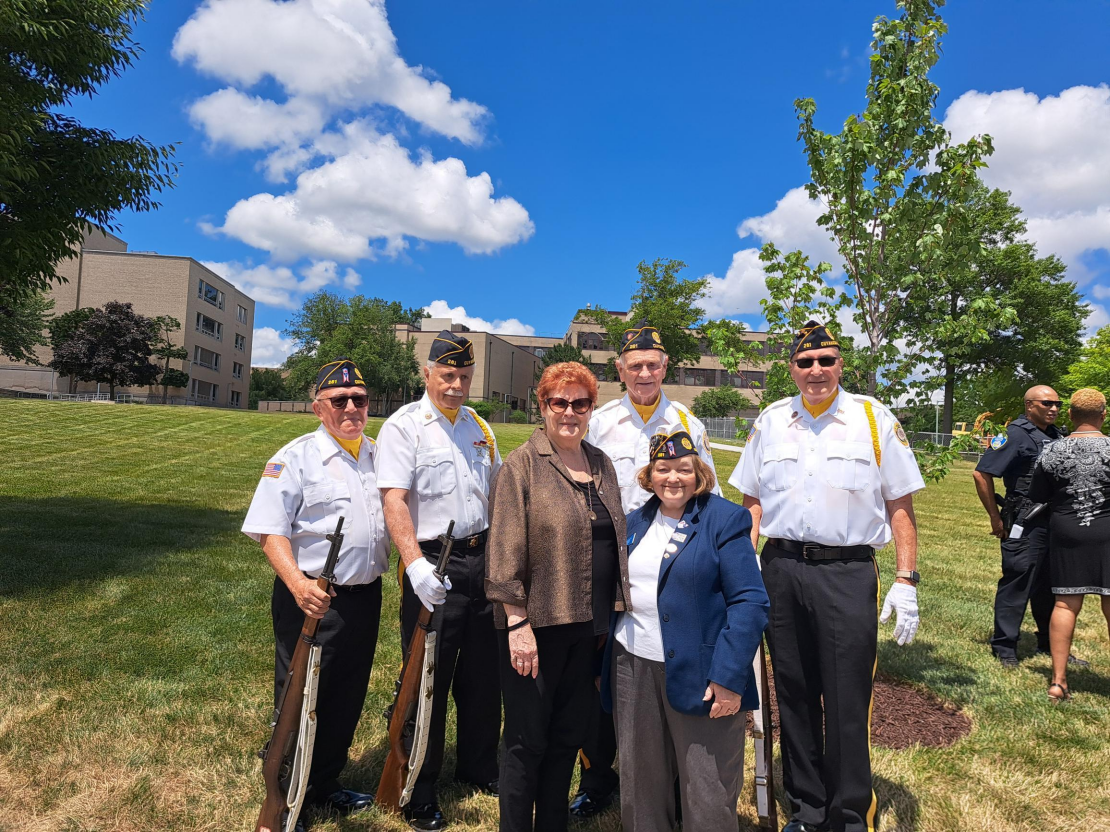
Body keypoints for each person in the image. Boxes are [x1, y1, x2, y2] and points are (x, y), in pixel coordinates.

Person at [729, 321, 924, 832]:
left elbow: (899, 503)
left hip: (847, 571)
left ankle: (849, 813)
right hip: (781, 567)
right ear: (792, 368)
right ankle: (807, 810)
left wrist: (906, 579)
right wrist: (745, 567)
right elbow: (751, 501)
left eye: (826, 361)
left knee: (845, 696)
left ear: (842, 365)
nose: (816, 370)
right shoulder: (771, 421)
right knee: (791, 691)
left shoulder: (873, 419)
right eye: (805, 362)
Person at [573, 321, 720, 819]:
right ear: (620, 369)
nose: (644, 373)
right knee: (600, 669)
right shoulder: (600, 421)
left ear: (665, 368)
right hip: (608, 558)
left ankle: (673, 782)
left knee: (665, 661)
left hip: (672, 561)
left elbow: (708, 492)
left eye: (653, 365)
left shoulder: (686, 423)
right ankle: (597, 778)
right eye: (634, 365)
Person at [242, 358, 389, 830]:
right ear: (318, 408)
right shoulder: (297, 457)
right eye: (339, 400)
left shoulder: (380, 454)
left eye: (359, 400)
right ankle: (285, 795)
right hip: (311, 597)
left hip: (365, 596)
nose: (351, 408)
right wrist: (297, 584)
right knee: (300, 696)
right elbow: (269, 531)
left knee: (347, 695)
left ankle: (323, 783)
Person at [485, 361, 632, 832]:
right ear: (543, 406)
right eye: (559, 402)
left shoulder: (601, 464)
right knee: (527, 741)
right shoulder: (521, 465)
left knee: (568, 737)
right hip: (538, 629)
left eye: (580, 403)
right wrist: (516, 622)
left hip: (590, 629)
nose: (570, 412)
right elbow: (505, 550)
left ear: (591, 408)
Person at [602, 430, 768, 832]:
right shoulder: (635, 521)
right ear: (648, 475)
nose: (673, 478)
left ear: (699, 474)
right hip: (633, 666)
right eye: (663, 469)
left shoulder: (726, 519)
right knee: (641, 785)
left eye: (683, 469)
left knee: (707, 790)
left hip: (703, 674)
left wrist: (728, 677)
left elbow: (750, 602)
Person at [376, 331, 502, 831]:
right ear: (426, 374)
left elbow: (493, 496)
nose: (455, 385)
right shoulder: (404, 426)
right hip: (434, 562)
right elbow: (394, 499)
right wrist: (413, 564)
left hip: (481, 557)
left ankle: (478, 766)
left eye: (464, 377)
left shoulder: (478, 426)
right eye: (447, 375)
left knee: (482, 677)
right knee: (427, 675)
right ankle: (417, 785)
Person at [972, 385, 1088, 668]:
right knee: (1018, 578)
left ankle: (1049, 644)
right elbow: (981, 473)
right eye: (1047, 403)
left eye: (1058, 404)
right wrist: (994, 517)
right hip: (1025, 519)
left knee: (1051, 584)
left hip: (1056, 520)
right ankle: (1005, 647)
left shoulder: (1057, 435)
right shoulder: (1012, 434)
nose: (1054, 409)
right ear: (1029, 405)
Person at [1027, 388, 1110, 703]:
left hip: (1067, 530)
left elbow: (1038, 495)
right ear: (1103, 415)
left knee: (1064, 604)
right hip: (1107, 531)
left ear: (1071, 415)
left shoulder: (1051, 451)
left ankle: (1058, 682)